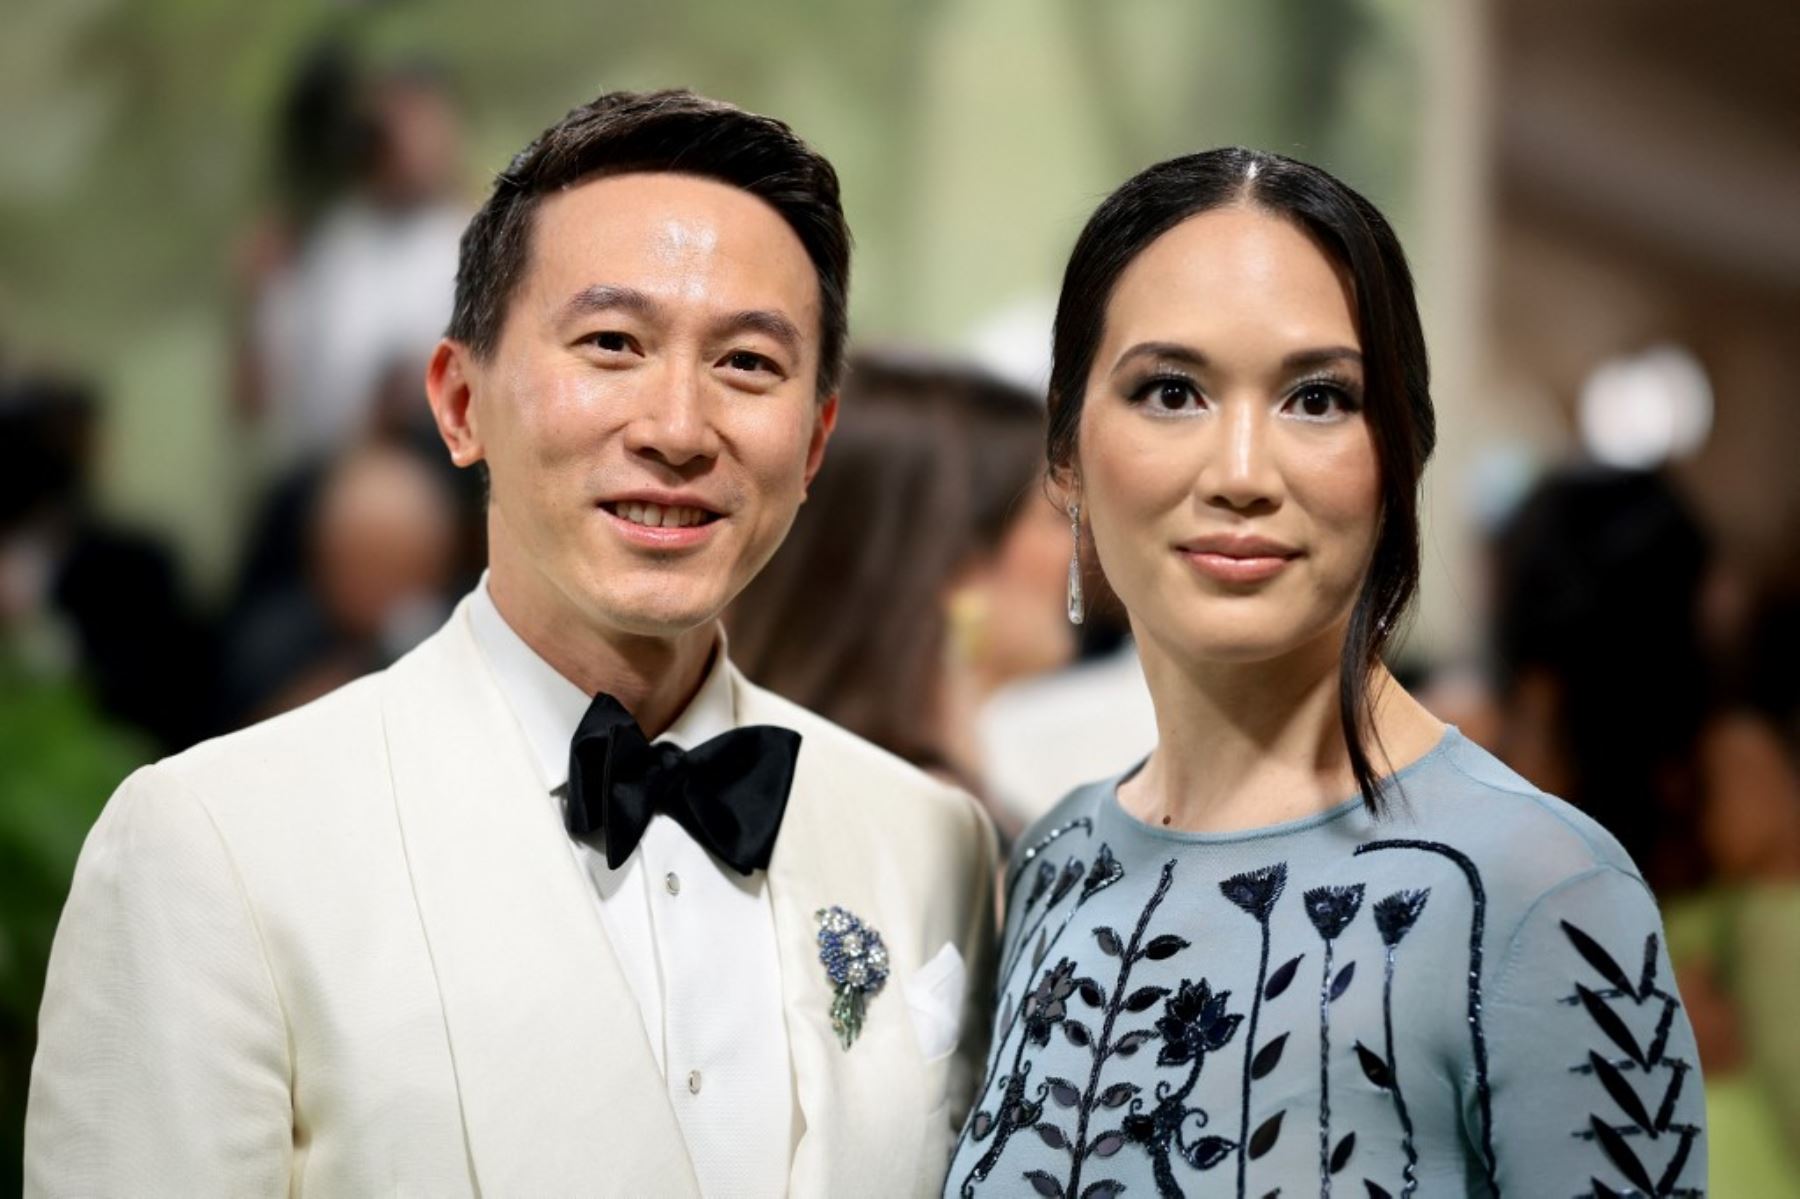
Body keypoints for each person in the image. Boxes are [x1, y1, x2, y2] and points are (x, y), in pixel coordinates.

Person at [28, 90, 997, 1198]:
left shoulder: (930, 841)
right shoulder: (214, 843)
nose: (678, 427)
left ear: (816, 439)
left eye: (748, 365)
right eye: (612, 343)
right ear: (459, 401)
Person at [945, 149, 1706, 1198]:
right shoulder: (1057, 859)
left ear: (1401, 457)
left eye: (1318, 397)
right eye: (1171, 391)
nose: (1243, 473)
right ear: (1066, 459)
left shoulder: (1537, 888)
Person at [728, 351, 1075, 834]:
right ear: (956, 565)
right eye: (1056, 517)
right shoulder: (923, 825)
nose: (1079, 548)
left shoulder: (751, 788)